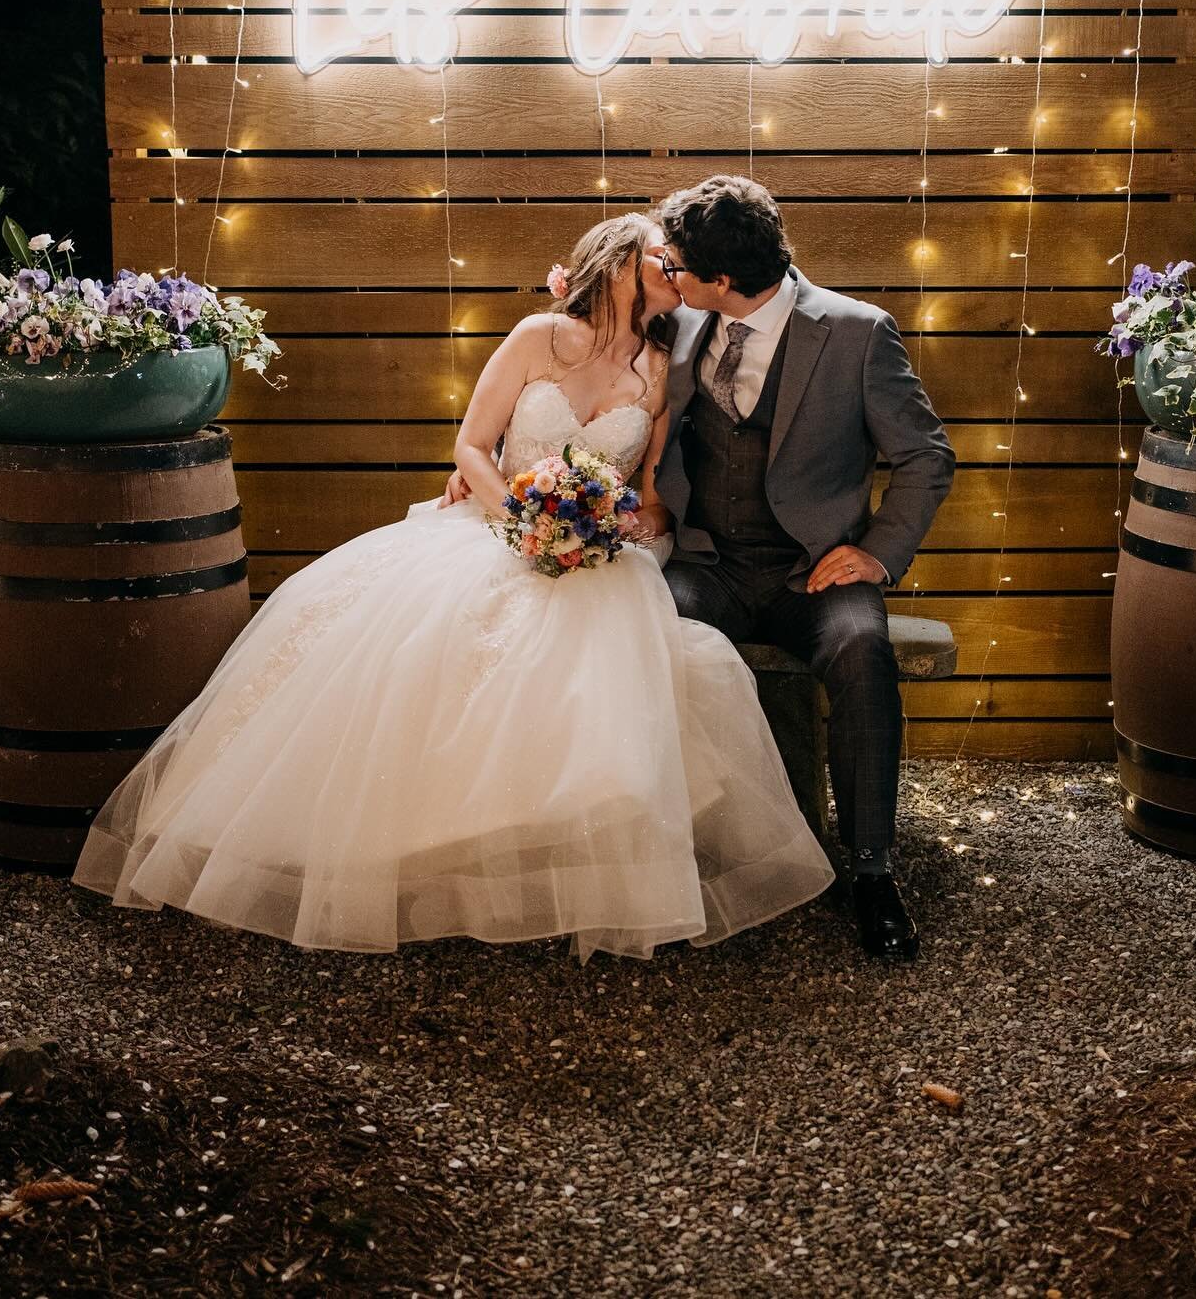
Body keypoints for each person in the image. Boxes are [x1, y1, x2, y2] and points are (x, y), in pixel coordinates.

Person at [72, 213, 833, 961]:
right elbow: (471, 445)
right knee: (445, 630)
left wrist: (620, 524)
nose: (673, 275)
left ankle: (564, 844)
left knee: (605, 630)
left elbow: (651, 490)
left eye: (678, 266)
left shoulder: (662, 367)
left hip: (600, 548)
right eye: (661, 262)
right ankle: (417, 848)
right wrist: (522, 525)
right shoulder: (538, 338)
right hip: (496, 525)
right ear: (619, 265)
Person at [653, 176, 955, 961]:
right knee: (648, 639)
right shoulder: (680, 319)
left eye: (679, 264)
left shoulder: (858, 333)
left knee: (862, 655)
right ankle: (677, 859)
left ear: (723, 280)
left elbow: (926, 456)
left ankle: (871, 872)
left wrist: (878, 554)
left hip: (813, 573)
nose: (668, 272)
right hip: (707, 565)